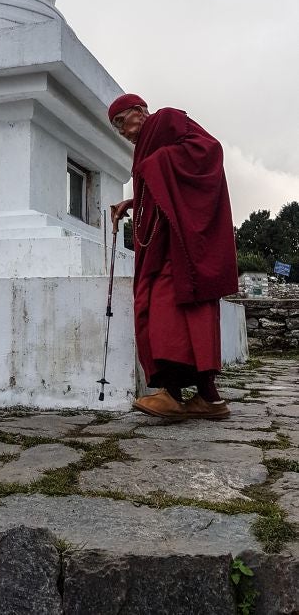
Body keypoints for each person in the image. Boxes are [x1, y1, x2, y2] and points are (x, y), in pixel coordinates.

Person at [109, 93, 238, 419]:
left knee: (169, 312)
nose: (123, 132)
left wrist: (156, 165)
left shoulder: (165, 121)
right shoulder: (148, 144)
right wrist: (133, 202)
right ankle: (208, 399)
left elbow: (210, 151)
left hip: (179, 249)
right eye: (117, 128)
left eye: (122, 122)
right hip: (164, 246)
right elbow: (162, 190)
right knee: (167, 314)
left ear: (139, 111)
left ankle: (174, 395)